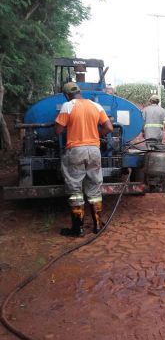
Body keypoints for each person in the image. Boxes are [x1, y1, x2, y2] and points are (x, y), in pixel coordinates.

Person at [55, 82, 113, 237]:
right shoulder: (96, 106)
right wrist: (96, 134)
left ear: (66, 95)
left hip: (76, 150)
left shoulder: (68, 106)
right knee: (94, 187)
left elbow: (58, 129)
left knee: (75, 190)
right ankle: (98, 225)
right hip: (94, 150)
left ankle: (77, 229)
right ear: (80, 92)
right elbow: (109, 128)